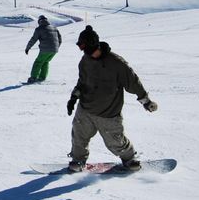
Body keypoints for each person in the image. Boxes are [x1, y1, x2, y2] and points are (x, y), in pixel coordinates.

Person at [66, 25, 158, 172]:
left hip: (108, 112)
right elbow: (82, 81)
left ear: (94, 45)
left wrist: (146, 101)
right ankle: (78, 160)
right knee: (79, 136)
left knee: (115, 141)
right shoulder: (85, 60)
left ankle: (129, 159)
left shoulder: (116, 63)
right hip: (86, 108)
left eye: (88, 49)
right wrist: (73, 97)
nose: (87, 53)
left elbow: (132, 82)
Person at [25, 15, 62, 83]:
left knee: (38, 62)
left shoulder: (39, 29)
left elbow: (33, 39)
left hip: (45, 49)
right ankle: (42, 77)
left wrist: (27, 48)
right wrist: (56, 47)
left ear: (39, 21)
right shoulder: (54, 28)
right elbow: (60, 39)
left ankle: (33, 78)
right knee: (45, 62)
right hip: (54, 50)